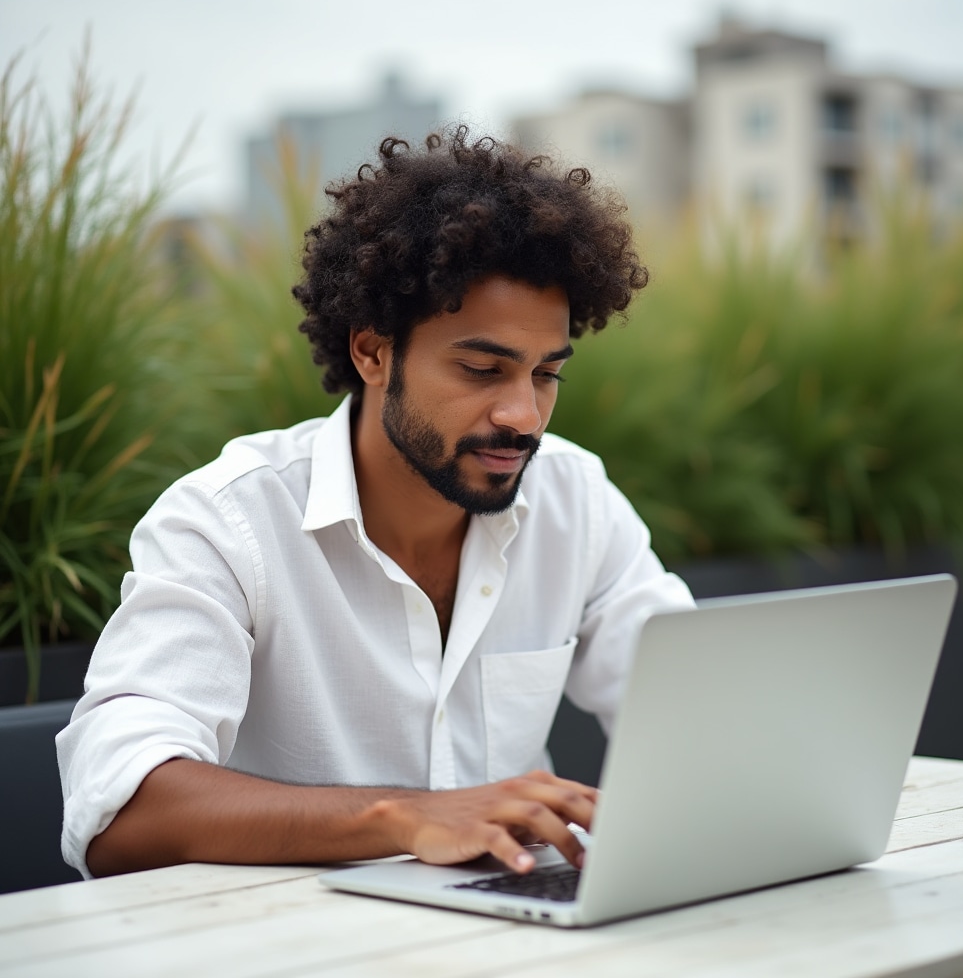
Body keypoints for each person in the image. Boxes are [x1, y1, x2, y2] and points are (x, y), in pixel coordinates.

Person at [57, 126, 695, 880]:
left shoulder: (575, 499)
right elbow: (120, 813)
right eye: (483, 368)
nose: (524, 414)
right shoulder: (229, 522)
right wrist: (407, 816)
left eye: (546, 374)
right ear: (372, 352)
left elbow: (701, 714)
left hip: (520, 935)